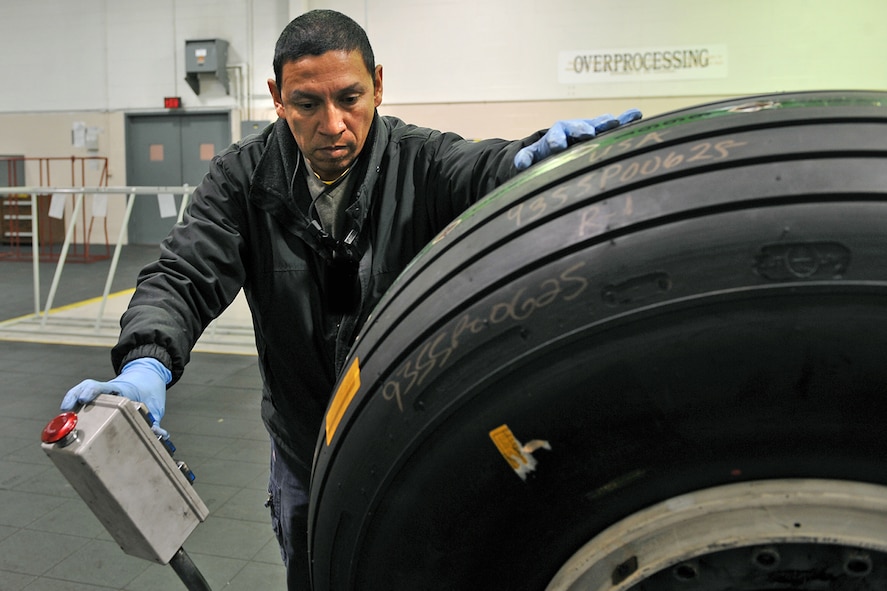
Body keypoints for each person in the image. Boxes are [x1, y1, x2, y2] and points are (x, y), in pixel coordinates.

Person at [61, 9, 641, 589]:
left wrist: (528, 161)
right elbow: (185, 271)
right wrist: (145, 363)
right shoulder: (243, 179)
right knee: (314, 573)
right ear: (277, 99)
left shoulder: (422, 162)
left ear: (379, 85)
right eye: (307, 104)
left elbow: (479, 167)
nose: (333, 124)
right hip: (303, 450)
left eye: (350, 97)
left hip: (407, 440)